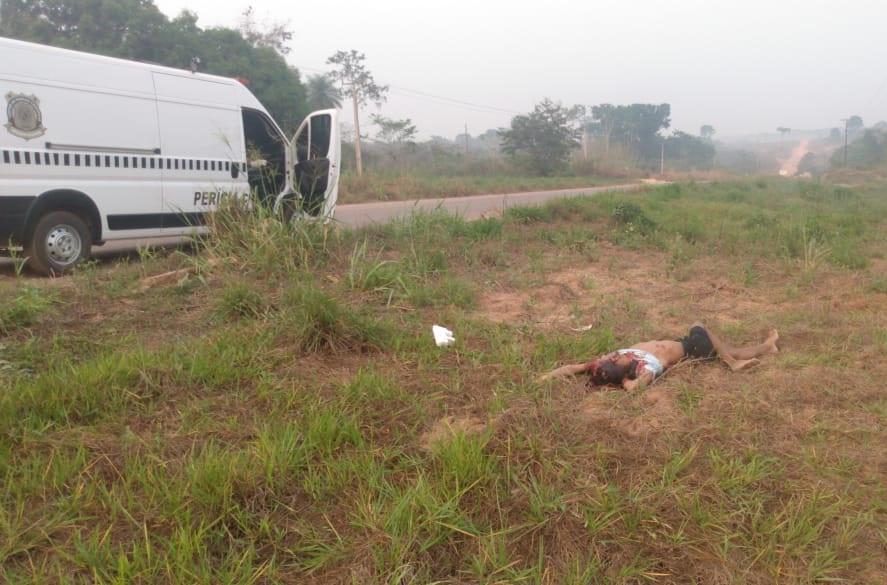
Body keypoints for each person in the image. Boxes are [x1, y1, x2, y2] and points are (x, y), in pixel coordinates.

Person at [540, 323, 779, 390]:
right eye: (613, 361)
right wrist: (628, 384)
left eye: (609, 358)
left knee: (729, 347)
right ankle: (733, 363)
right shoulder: (645, 367)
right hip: (690, 349)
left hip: (684, 344)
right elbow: (638, 384)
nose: (610, 357)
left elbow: (573, 367)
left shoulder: (606, 363)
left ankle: (768, 346)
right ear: (623, 370)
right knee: (700, 326)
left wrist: (542, 379)